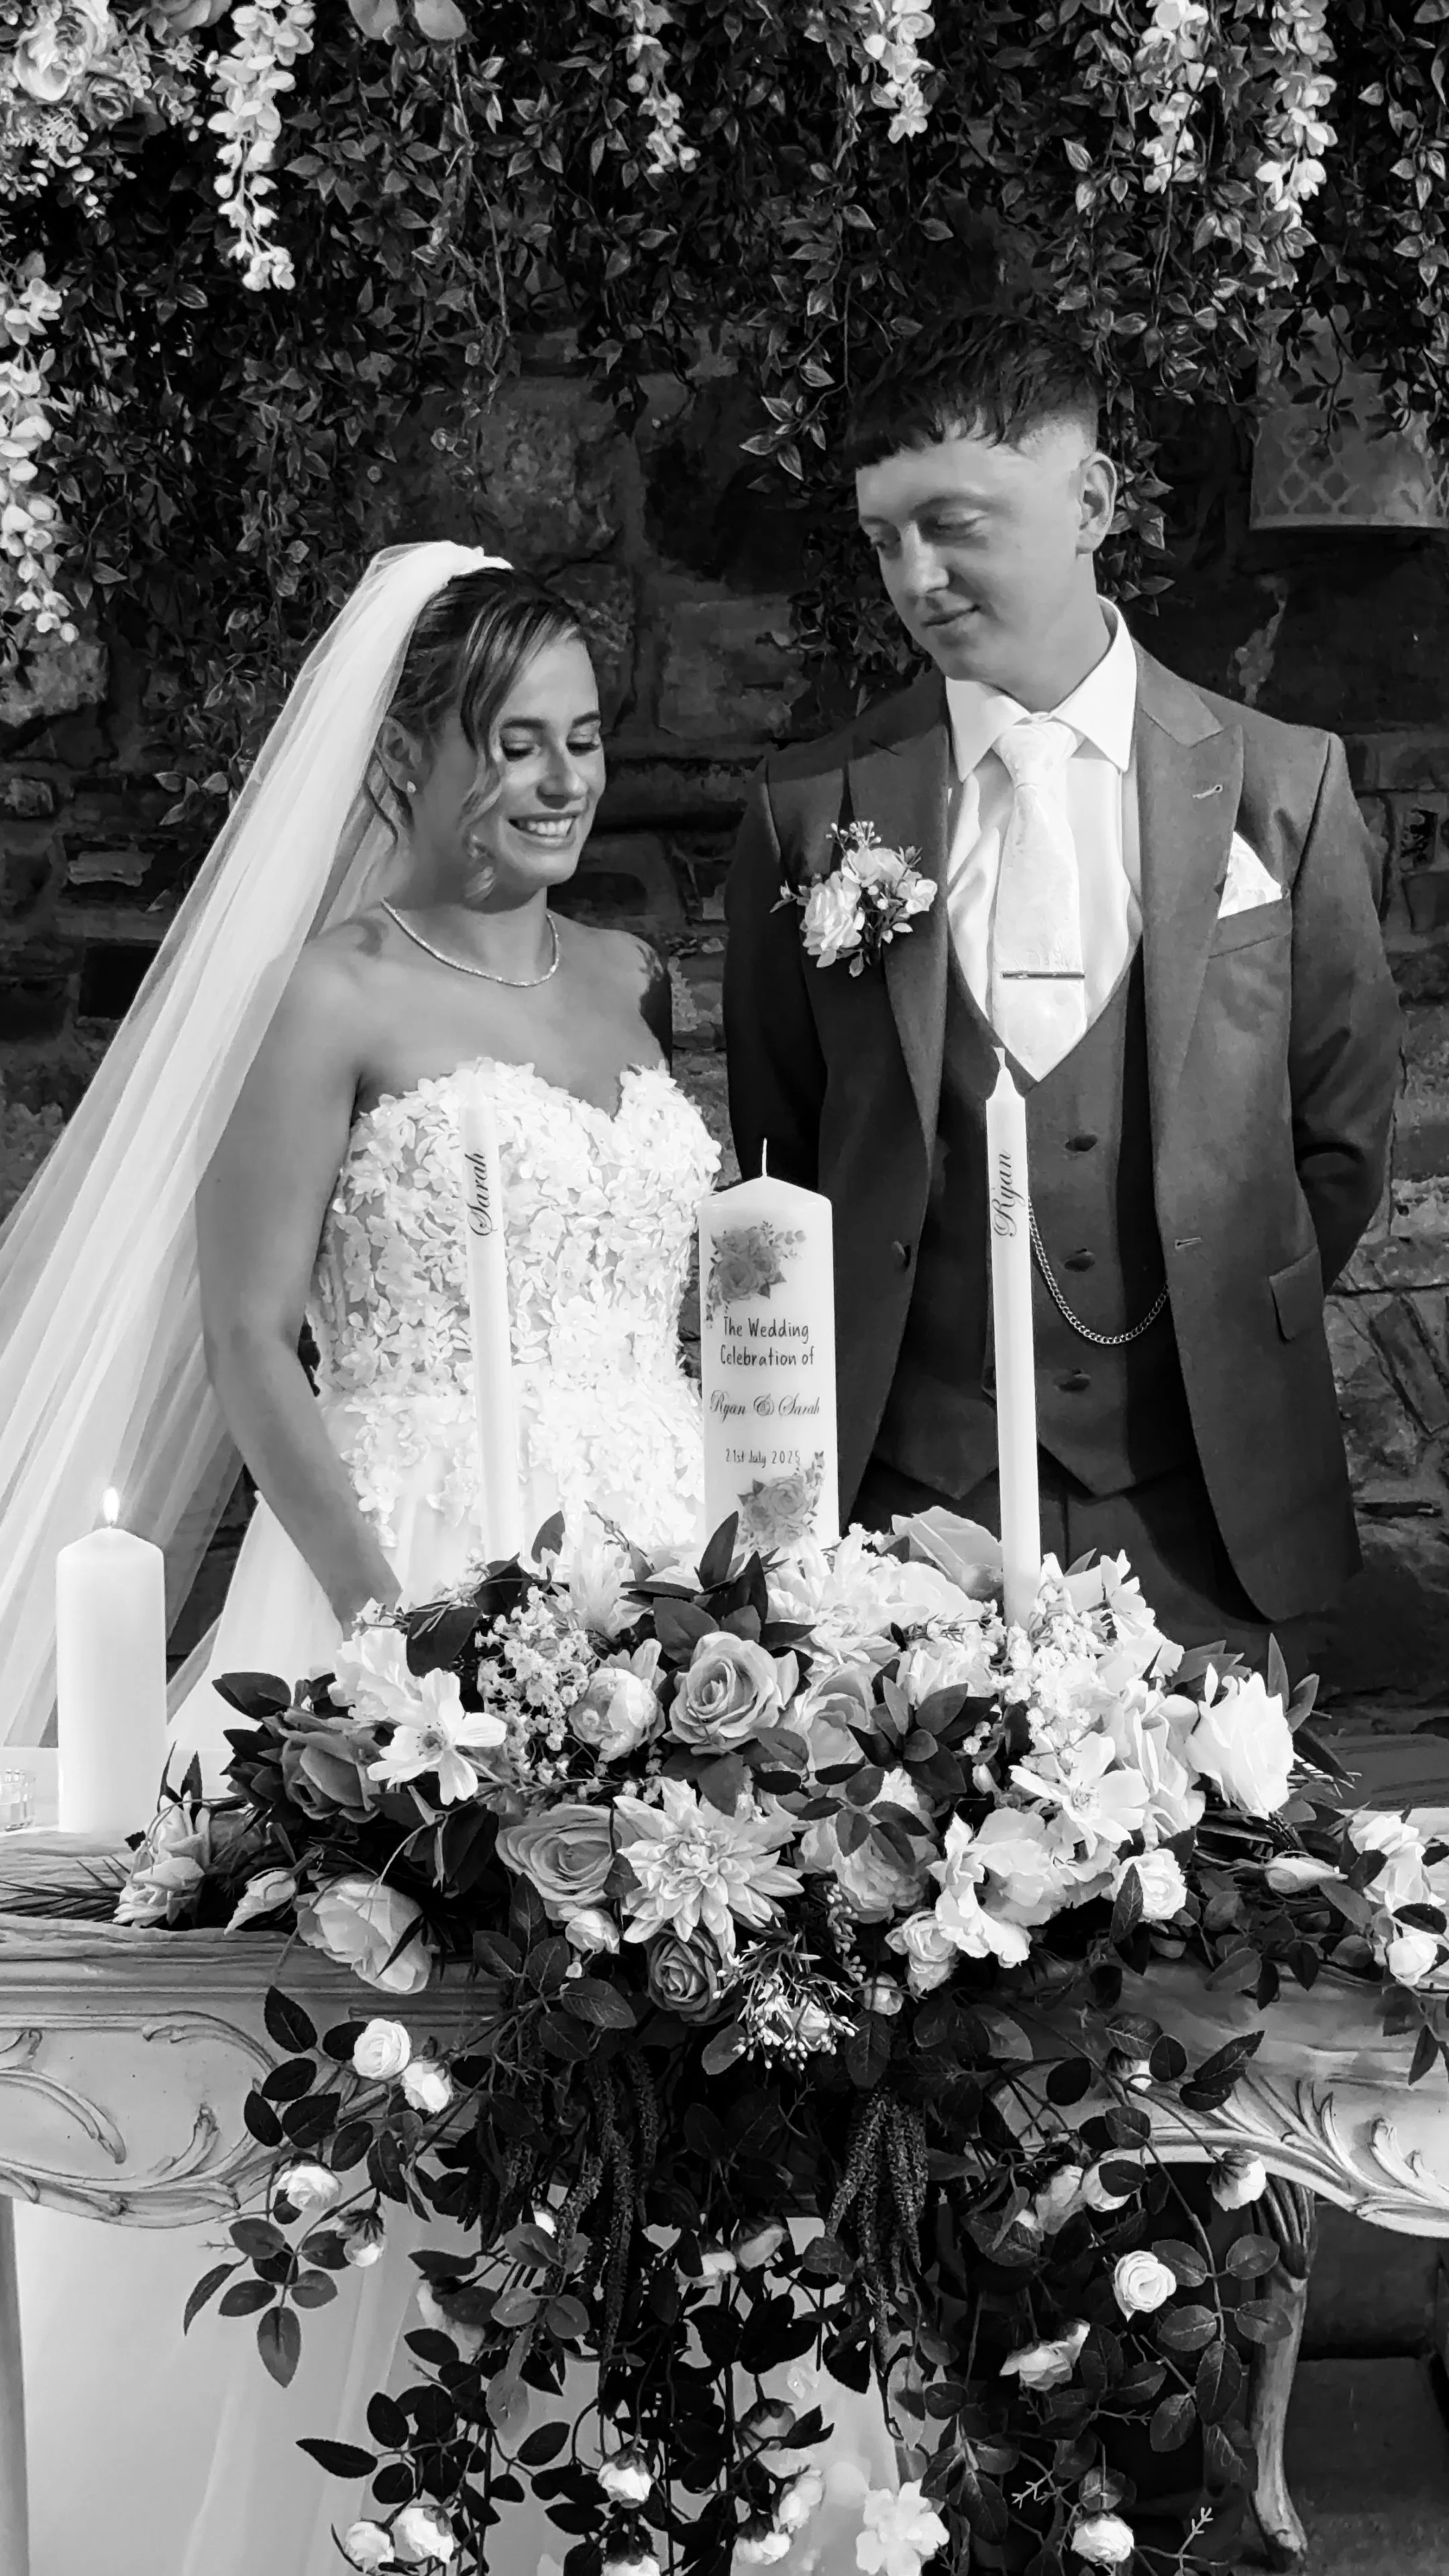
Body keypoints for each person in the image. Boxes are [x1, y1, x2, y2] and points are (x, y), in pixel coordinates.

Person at [1, 546, 892, 2573]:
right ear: (417, 751)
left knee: (692, 2043)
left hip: (661, 1570)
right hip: (405, 1572)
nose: (560, 785)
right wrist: (395, 1612)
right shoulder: (333, 986)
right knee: (415, 2090)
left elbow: (689, 1297)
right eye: (515, 744)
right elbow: (248, 1339)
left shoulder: (619, 979)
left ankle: (673, 2501)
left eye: (584, 744)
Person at [724, 307, 1401, 1667]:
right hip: (907, 1516)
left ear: (1090, 500)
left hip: (1198, 1512)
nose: (917, 576)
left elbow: (1338, 1136)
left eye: (956, 524)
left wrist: (1206, 1329)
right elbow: (779, 1151)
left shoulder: (1283, 788)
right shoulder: (808, 815)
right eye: (884, 540)